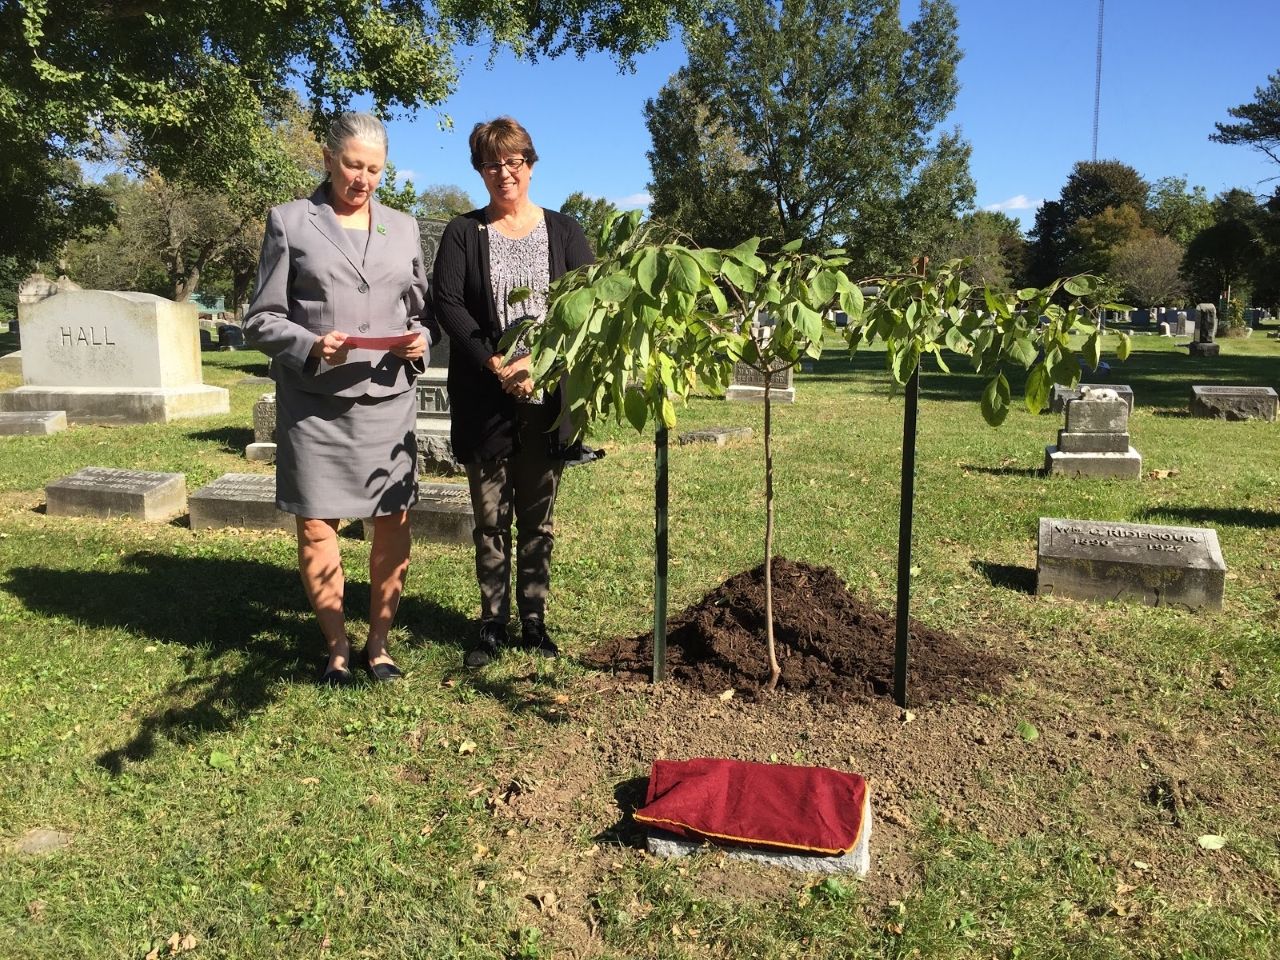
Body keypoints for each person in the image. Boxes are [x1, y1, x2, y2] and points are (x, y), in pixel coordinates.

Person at [244, 112, 438, 685]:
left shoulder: (403, 227)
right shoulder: (290, 222)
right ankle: (336, 645)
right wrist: (309, 343)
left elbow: (422, 312)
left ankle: (378, 642)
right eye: (354, 165)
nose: (364, 179)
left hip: (387, 397)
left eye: (375, 169)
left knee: (393, 517)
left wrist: (420, 339)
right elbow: (260, 319)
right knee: (315, 525)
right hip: (315, 401)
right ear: (327, 159)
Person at [433, 117, 593, 668]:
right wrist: (496, 362)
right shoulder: (463, 232)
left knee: (538, 513)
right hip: (486, 395)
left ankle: (534, 619)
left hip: (547, 397)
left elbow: (586, 305)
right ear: (480, 170)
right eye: (492, 163)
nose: (505, 173)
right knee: (489, 514)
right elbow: (448, 304)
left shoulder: (565, 231)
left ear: (531, 163)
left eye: (514, 161)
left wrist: (542, 365)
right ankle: (491, 622)